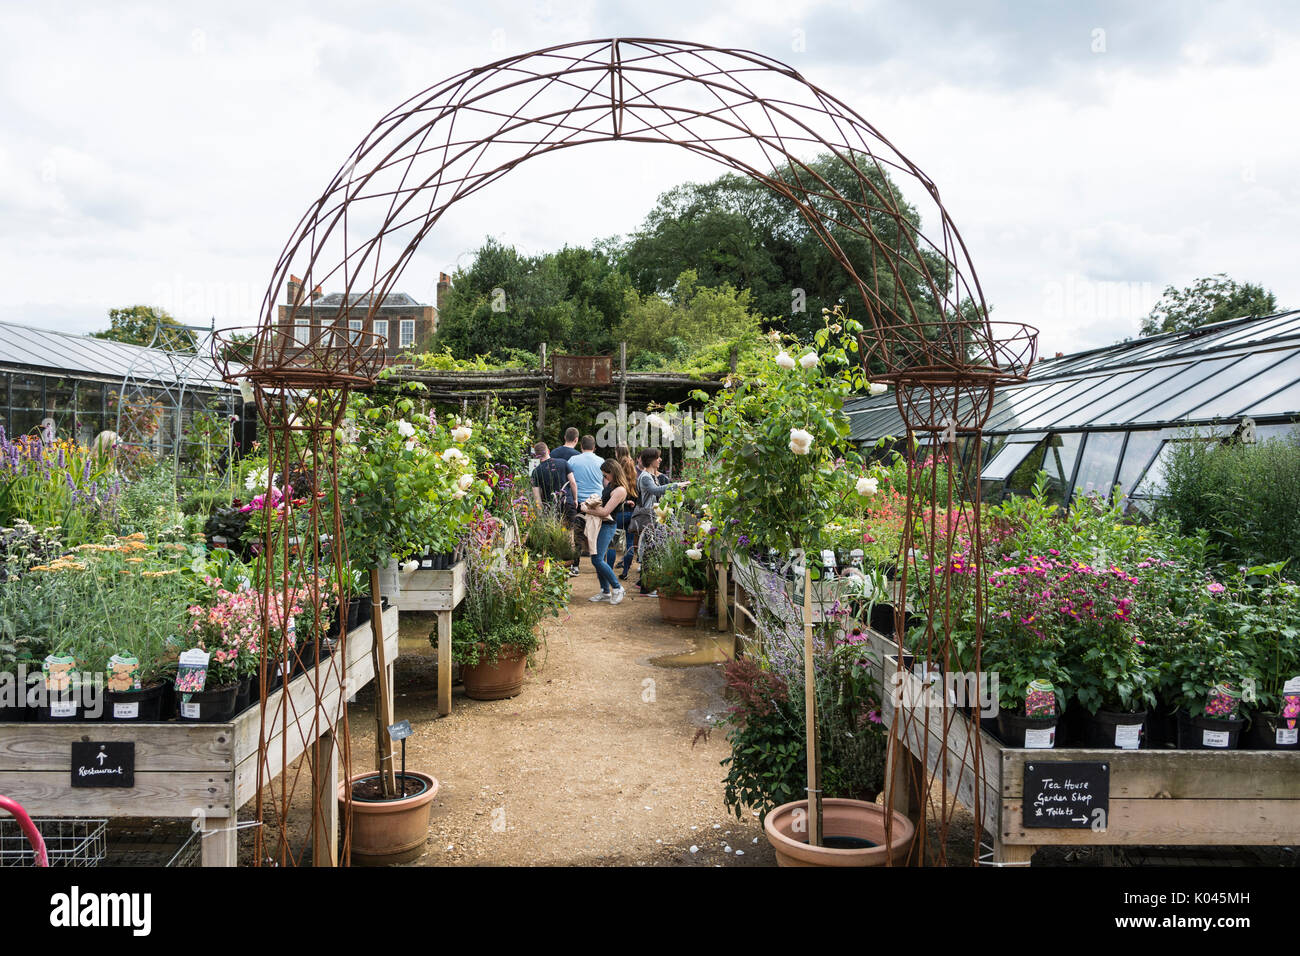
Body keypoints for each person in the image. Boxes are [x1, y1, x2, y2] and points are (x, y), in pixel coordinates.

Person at [630, 447, 689, 596]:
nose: (660, 460)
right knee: (650, 552)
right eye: (658, 458)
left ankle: (645, 586)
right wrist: (677, 485)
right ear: (651, 460)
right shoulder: (645, 477)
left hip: (652, 516)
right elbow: (656, 492)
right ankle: (647, 587)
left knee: (651, 551)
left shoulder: (650, 475)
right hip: (648, 517)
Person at [580, 458, 634, 605]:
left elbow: (605, 512)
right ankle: (605, 591)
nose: (604, 478)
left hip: (608, 525)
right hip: (602, 525)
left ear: (613, 473)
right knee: (597, 559)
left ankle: (617, 588)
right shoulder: (611, 485)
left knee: (596, 559)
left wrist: (587, 508)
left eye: (606, 475)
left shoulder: (620, 490)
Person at [551, 428, 582, 575]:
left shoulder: (554, 453)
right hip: (569, 497)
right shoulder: (578, 456)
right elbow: (575, 481)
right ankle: (574, 564)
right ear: (576, 440)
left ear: (564, 437)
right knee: (571, 533)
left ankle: (556, 562)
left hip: (553, 498)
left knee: (556, 530)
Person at [613, 445, 640, 580]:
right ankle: (625, 572)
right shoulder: (636, 478)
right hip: (632, 514)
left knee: (612, 544)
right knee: (629, 544)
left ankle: (609, 570)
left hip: (618, 513)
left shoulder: (617, 478)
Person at [529, 442, 578, 513]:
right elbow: (573, 483)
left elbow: (537, 496)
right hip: (567, 503)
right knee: (572, 524)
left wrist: (540, 512)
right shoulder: (563, 462)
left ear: (536, 455)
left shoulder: (536, 471)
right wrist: (575, 499)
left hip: (551, 508)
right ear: (548, 451)